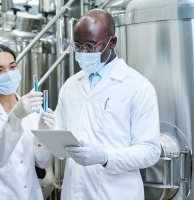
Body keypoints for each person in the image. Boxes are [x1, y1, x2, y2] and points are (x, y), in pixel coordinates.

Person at [54, 9, 161, 200]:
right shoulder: (70, 85)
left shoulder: (138, 87)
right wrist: (46, 129)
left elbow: (150, 151)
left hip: (115, 193)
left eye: (90, 45)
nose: (82, 52)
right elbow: (59, 136)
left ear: (112, 42)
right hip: (75, 192)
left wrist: (105, 157)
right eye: (77, 46)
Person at [0, 43, 55, 200]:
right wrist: (15, 116)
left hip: (31, 194)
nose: (8, 74)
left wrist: (44, 136)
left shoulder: (34, 107)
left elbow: (42, 162)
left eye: (12, 67)